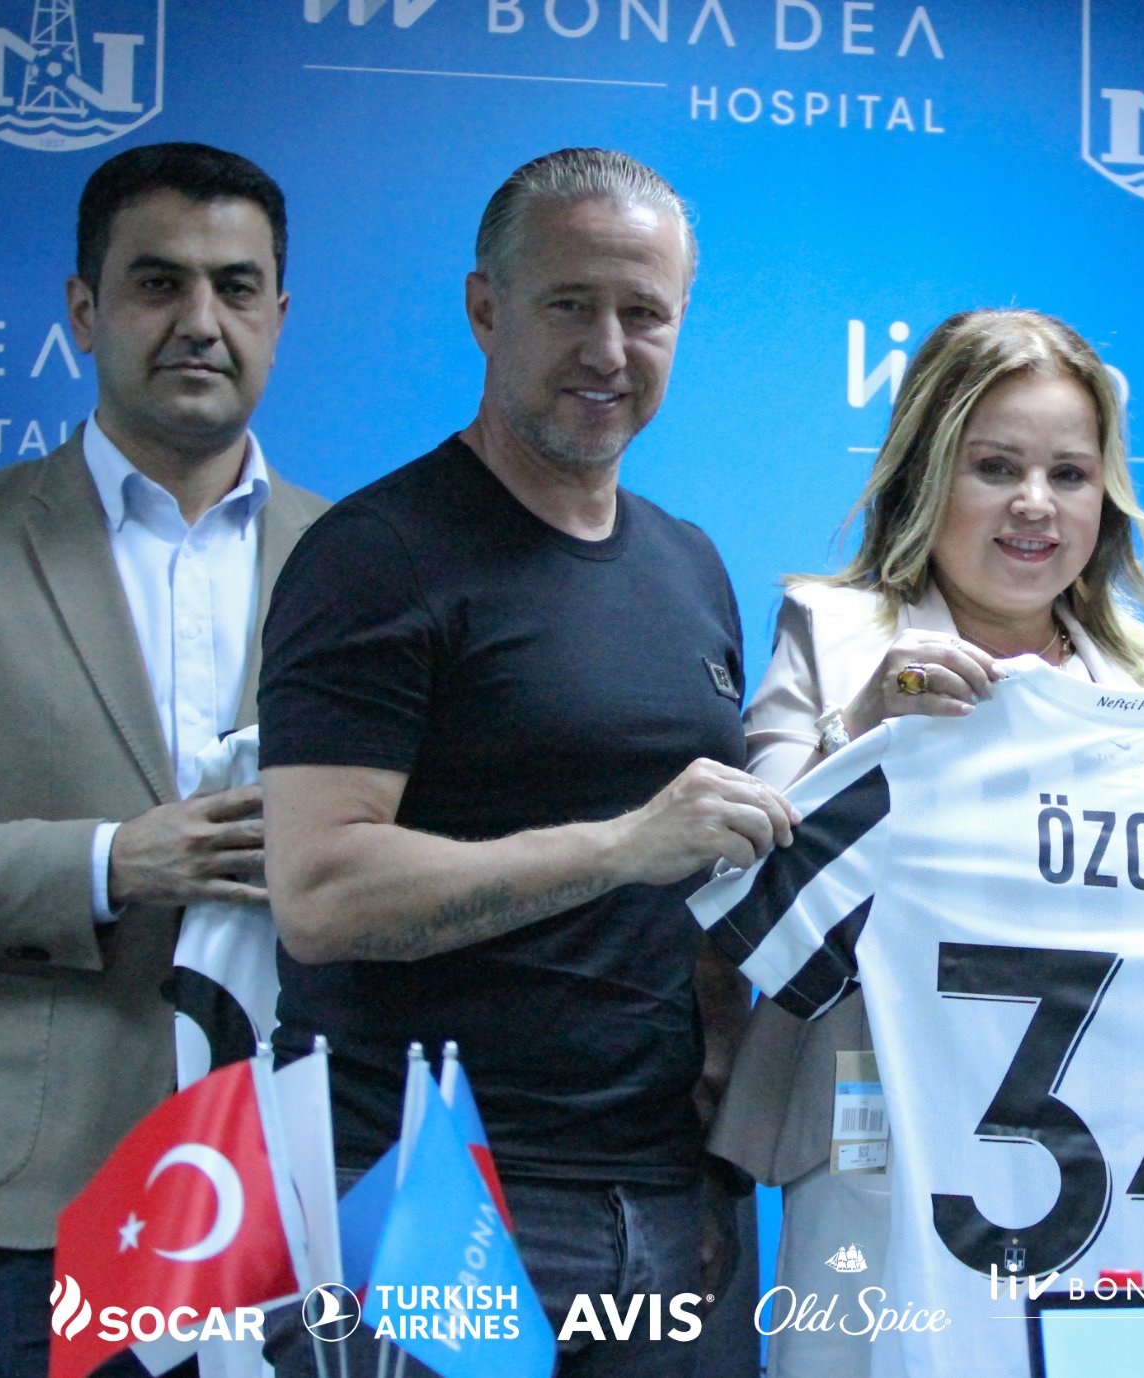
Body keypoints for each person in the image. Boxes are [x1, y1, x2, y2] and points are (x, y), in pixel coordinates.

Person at [258, 148, 787, 1377]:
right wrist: (618, 847)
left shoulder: (689, 563)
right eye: (569, 305)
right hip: (423, 1201)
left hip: (667, 1206)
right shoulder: (374, 556)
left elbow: (697, 882)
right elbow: (321, 893)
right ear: (484, 308)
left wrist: (718, 1061)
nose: (608, 348)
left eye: (643, 313)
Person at [709, 306, 1144, 1378]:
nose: (1035, 504)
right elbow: (753, 891)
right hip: (876, 1148)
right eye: (995, 467)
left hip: (1114, 1168)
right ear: (926, 475)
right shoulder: (834, 634)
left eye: (1069, 475)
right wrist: (864, 726)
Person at [0, 142, 325, 1378]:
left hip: (292, 1196)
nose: (200, 321)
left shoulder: (365, 564)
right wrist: (111, 861)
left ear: (279, 315)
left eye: (236, 287)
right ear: (83, 310)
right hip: (24, 1208)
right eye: (159, 282)